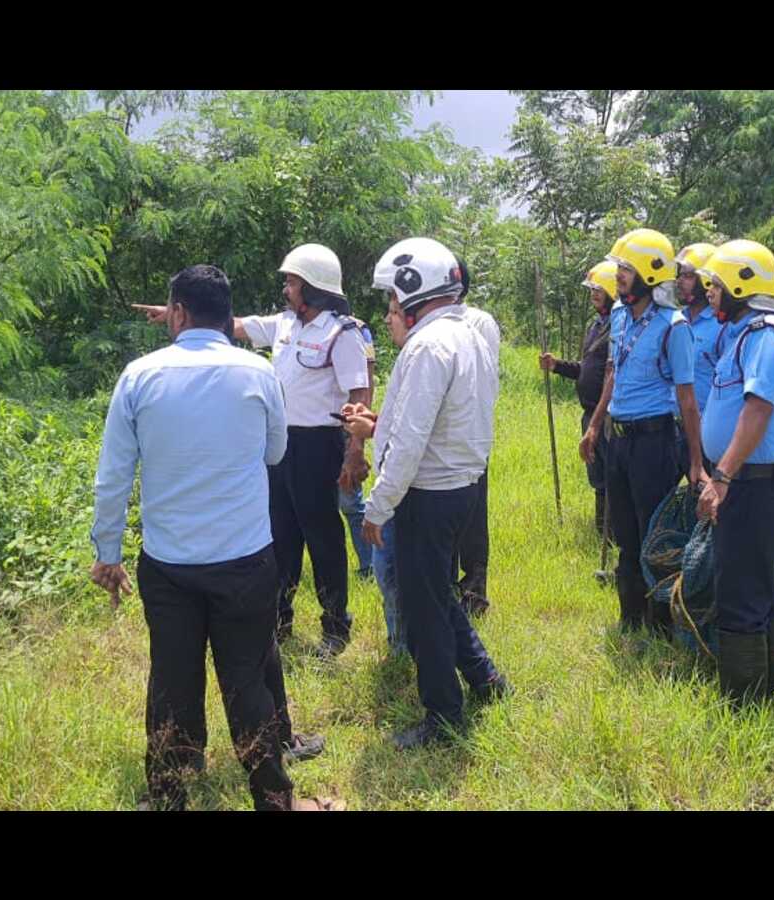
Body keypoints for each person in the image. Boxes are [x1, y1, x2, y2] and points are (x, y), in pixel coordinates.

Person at [94, 264, 334, 812]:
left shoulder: (139, 376)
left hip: (169, 564)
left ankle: (169, 796)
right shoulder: (257, 374)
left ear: (177, 313)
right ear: (229, 316)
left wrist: (108, 555)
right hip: (245, 561)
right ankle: (274, 799)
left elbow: (112, 478)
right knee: (248, 680)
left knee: (172, 681)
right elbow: (275, 453)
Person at [343, 237, 510, 750]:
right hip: (459, 488)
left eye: (392, 301)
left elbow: (410, 441)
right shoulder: (470, 335)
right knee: (438, 593)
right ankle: (485, 679)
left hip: (426, 495)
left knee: (424, 610)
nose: (390, 312)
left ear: (412, 292)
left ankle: (443, 717)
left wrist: (379, 505)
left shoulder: (428, 346)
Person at [695, 240, 774, 710]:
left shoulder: (766, 333)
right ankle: (762, 688)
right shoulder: (745, 332)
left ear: (742, 283)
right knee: (754, 583)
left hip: (756, 484)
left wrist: (721, 476)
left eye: (717, 284)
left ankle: (744, 705)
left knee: (741, 590)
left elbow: (757, 409)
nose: (711, 292)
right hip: (749, 480)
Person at [579, 228, 705, 634]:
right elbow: (613, 373)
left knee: (655, 534)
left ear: (650, 275)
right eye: (619, 267)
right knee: (625, 533)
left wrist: (696, 462)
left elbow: (687, 399)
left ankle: (662, 625)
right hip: (619, 440)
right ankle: (630, 618)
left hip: (655, 442)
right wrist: (595, 426)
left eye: (625, 269)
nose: (617, 275)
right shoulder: (617, 316)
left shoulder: (675, 327)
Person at [541, 260, 617, 536]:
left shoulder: (619, 328)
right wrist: (557, 365)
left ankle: (613, 533)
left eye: (599, 289)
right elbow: (587, 370)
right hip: (589, 414)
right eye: (592, 289)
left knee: (611, 476)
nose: (594, 294)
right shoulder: (596, 326)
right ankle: (602, 532)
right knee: (597, 474)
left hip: (608, 415)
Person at [452, 256, 498, 617]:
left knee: (471, 519)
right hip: (437, 443)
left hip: (469, 437)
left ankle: (474, 592)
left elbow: (481, 384)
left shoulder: (479, 322)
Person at [675, 242, 721, 476]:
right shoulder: (675, 321)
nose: (680, 282)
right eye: (680, 276)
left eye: (689, 276)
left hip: (706, 430)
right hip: (671, 428)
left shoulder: (721, 325)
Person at [338, 315, 377, 578]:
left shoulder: (356, 330)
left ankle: (369, 567)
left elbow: (367, 383)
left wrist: (357, 442)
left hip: (344, 427)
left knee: (350, 501)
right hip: (307, 433)